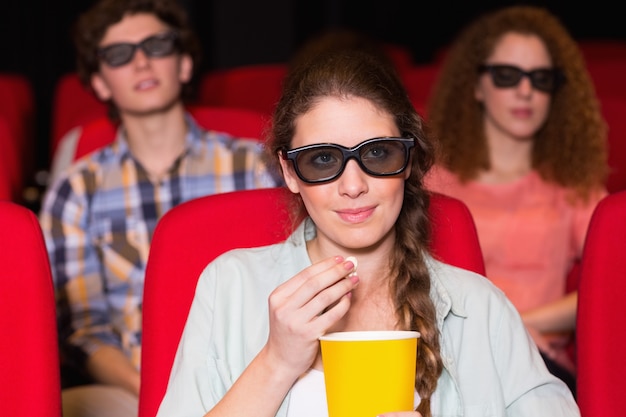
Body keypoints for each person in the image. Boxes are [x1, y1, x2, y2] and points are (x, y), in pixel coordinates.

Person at [156, 48, 580, 417]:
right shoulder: (229, 285)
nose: (353, 186)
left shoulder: (480, 308)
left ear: (408, 159)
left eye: (378, 154)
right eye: (322, 160)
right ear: (289, 171)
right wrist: (277, 361)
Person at [38, 0, 280, 416]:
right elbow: (83, 330)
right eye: (118, 54)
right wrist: (152, 390)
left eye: (156, 46)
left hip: (253, 374)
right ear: (99, 83)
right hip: (131, 389)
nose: (141, 62)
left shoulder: (255, 167)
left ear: (184, 65)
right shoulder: (76, 190)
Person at [423, 5, 609, 396]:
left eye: (540, 79)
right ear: (476, 86)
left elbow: (614, 282)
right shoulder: (431, 182)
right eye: (507, 76)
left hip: (536, 360)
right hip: (443, 353)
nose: (525, 90)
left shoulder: (573, 187)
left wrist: (515, 322)